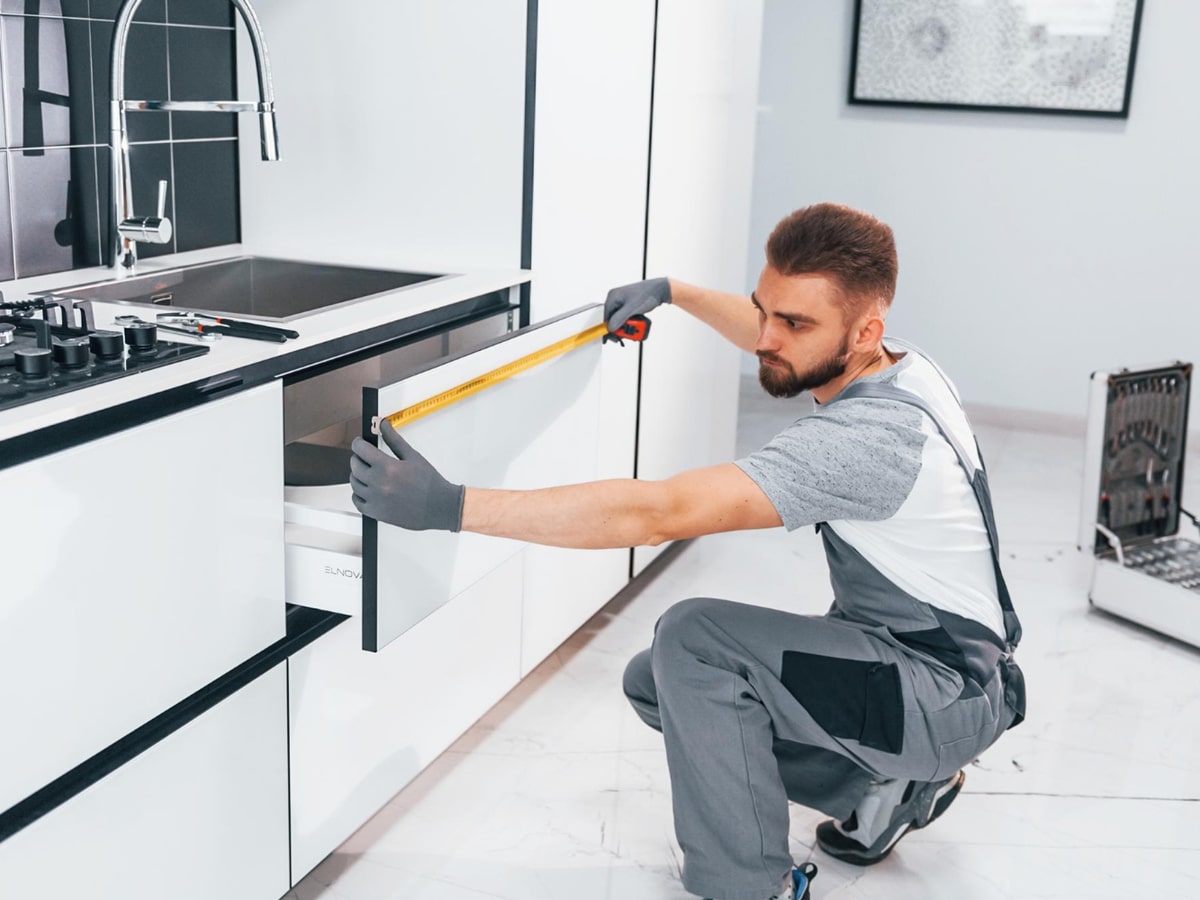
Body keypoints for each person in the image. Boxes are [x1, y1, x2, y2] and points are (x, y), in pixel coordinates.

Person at [349, 203, 1026, 900]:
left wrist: (450, 506)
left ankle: (752, 887)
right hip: (949, 676)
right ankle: (886, 784)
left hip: (940, 694)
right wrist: (674, 293)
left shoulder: (866, 440)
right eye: (767, 309)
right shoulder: (902, 367)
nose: (767, 336)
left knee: (695, 640)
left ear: (864, 331)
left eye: (793, 323)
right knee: (658, 681)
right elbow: (778, 339)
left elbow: (660, 511)